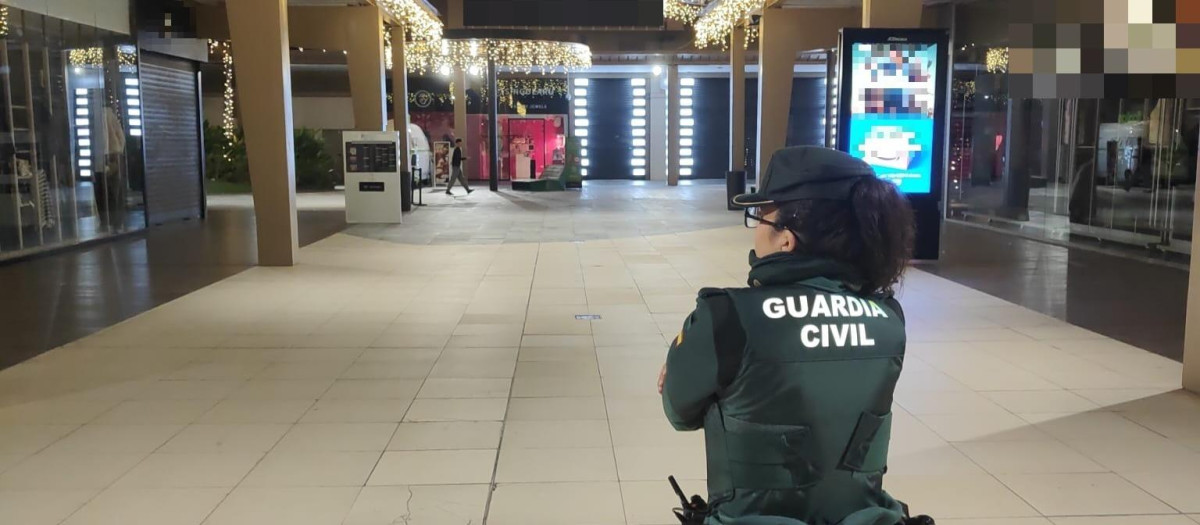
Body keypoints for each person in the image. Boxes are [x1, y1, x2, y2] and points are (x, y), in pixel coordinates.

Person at [659, 146, 921, 525]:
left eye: (761, 215)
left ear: (787, 239)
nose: (756, 230)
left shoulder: (727, 315)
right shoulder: (888, 318)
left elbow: (679, 412)